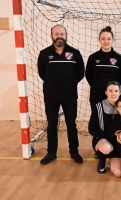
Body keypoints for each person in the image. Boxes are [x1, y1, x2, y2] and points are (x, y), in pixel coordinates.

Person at [37, 24, 85, 165]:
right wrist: (54, 84)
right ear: (51, 36)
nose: (59, 36)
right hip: (51, 96)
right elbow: (42, 73)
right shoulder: (44, 54)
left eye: (62, 34)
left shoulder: (75, 53)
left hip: (70, 95)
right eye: (56, 34)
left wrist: (68, 84)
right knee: (52, 124)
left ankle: (74, 152)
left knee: (71, 124)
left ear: (66, 35)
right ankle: (51, 153)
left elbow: (80, 73)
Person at [85, 26, 121, 159]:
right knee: (98, 122)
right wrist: (99, 87)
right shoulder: (93, 57)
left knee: (113, 120)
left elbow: (120, 78)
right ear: (99, 40)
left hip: (113, 96)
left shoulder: (119, 58)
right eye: (103, 39)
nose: (106, 41)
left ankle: (115, 146)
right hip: (96, 95)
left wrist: (111, 92)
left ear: (113, 40)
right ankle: (99, 147)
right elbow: (88, 76)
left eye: (108, 39)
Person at [88, 81, 121, 176]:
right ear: (106, 92)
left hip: (118, 143)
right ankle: (102, 159)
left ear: (120, 93)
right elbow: (91, 129)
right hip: (103, 140)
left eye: (116, 91)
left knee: (118, 173)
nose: (113, 93)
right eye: (110, 91)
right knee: (106, 148)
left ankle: (114, 158)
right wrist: (110, 136)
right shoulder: (98, 106)